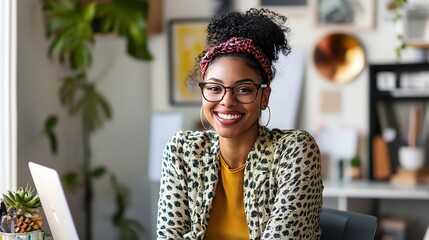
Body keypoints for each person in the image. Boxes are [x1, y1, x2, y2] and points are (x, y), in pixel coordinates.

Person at [157, 8, 323, 239]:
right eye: (214, 88)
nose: (227, 101)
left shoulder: (294, 150)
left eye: (243, 89)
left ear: (264, 97)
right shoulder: (183, 151)